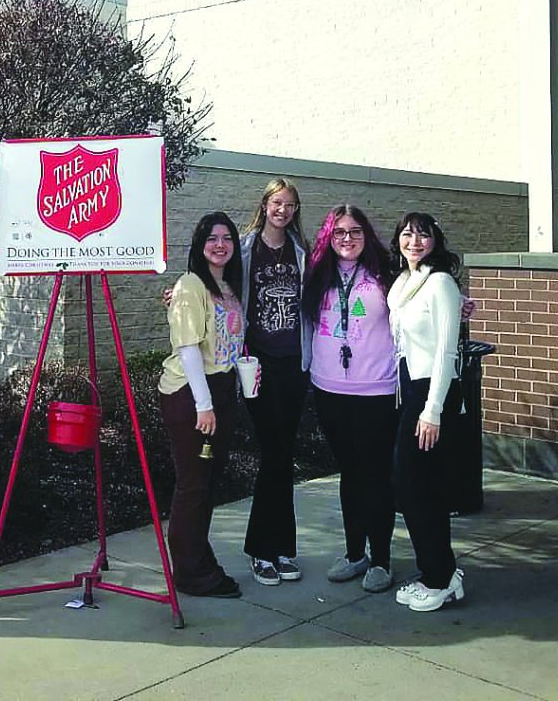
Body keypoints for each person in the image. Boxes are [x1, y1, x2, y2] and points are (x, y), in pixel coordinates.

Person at [301, 205, 398, 594]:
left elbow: (421, 297)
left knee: (375, 474)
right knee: (350, 474)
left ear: (366, 234)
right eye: (339, 232)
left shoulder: (386, 274)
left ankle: (382, 559)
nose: (347, 238)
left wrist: (456, 303)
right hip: (329, 389)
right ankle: (355, 552)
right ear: (329, 236)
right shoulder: (317, 274)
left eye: (355, 231)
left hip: (376, 390)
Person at [159, 211, 245, 598]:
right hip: (192, 394)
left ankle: (199, 557)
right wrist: (204, 405)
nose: (221, 244)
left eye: (227, 238)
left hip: (221, 389)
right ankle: (190, 574)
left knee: (208, 483)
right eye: (212, 238)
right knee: (193, 484)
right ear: (199, 244)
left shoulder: (226, 286)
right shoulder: (190, 285)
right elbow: (188, 347)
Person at [387, 211, 466, 613]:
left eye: (422, 235)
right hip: (407, 392)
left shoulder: (441, 283)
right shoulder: (402, 282)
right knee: (416, 485)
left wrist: (432, 410)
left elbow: (446, 351)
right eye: (406, 234)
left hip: (431, 394)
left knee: (416, 486)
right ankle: (442, 571)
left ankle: (438, 578)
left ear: (435, 240)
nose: (414, 241)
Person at [239, 178, 310, 587]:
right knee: (275, 453)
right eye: (277, 202)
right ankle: (262, 550)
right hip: (257, 364)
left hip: (294, 364)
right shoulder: (246, 248)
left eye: (290, 205)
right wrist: (180, 293)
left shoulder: (302, 254)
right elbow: (220, 286)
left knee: (283, 457)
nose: (283, 210)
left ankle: (280, 549)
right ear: (264, 205)